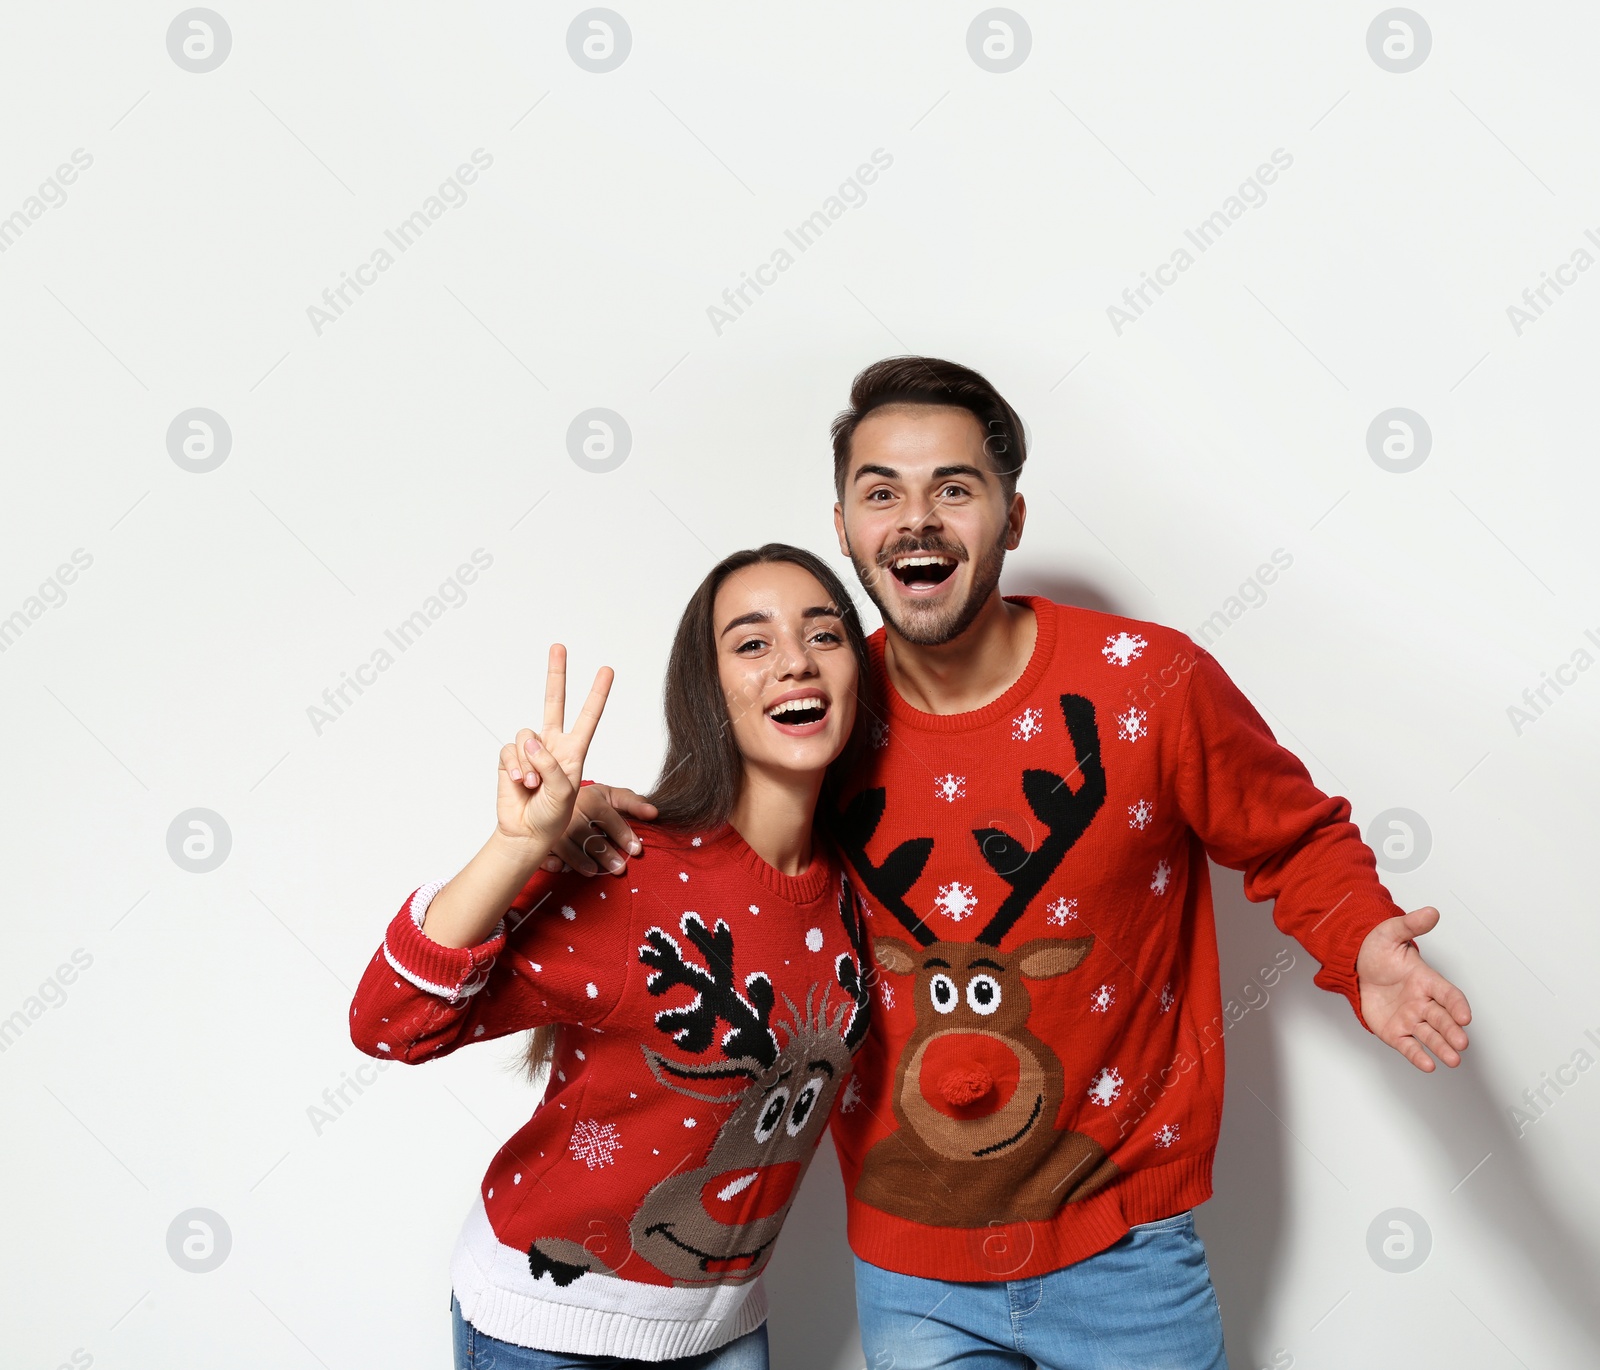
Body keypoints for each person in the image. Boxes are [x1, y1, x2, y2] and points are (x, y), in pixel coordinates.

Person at [560, 357, 1474, 1370]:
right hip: (911, 1270)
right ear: (844, 528)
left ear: (1013, 516)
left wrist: (1359, 943)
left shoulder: (1153, 683)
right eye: (881, 493)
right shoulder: (813, 704)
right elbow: (723, 849)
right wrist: (589, 820)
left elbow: (1291, 835)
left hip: (1126, 1249)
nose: (916, 519)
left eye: (953, 488)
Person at [349, 544, 877, 1368]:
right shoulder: (628, 865)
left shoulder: (860, 891)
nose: (796, 662)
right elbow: (390, 1023)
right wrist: (515, 848)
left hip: (725, 1327)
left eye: (825, 635)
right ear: (708, 691)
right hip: (548, 1324)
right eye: (752, 643)